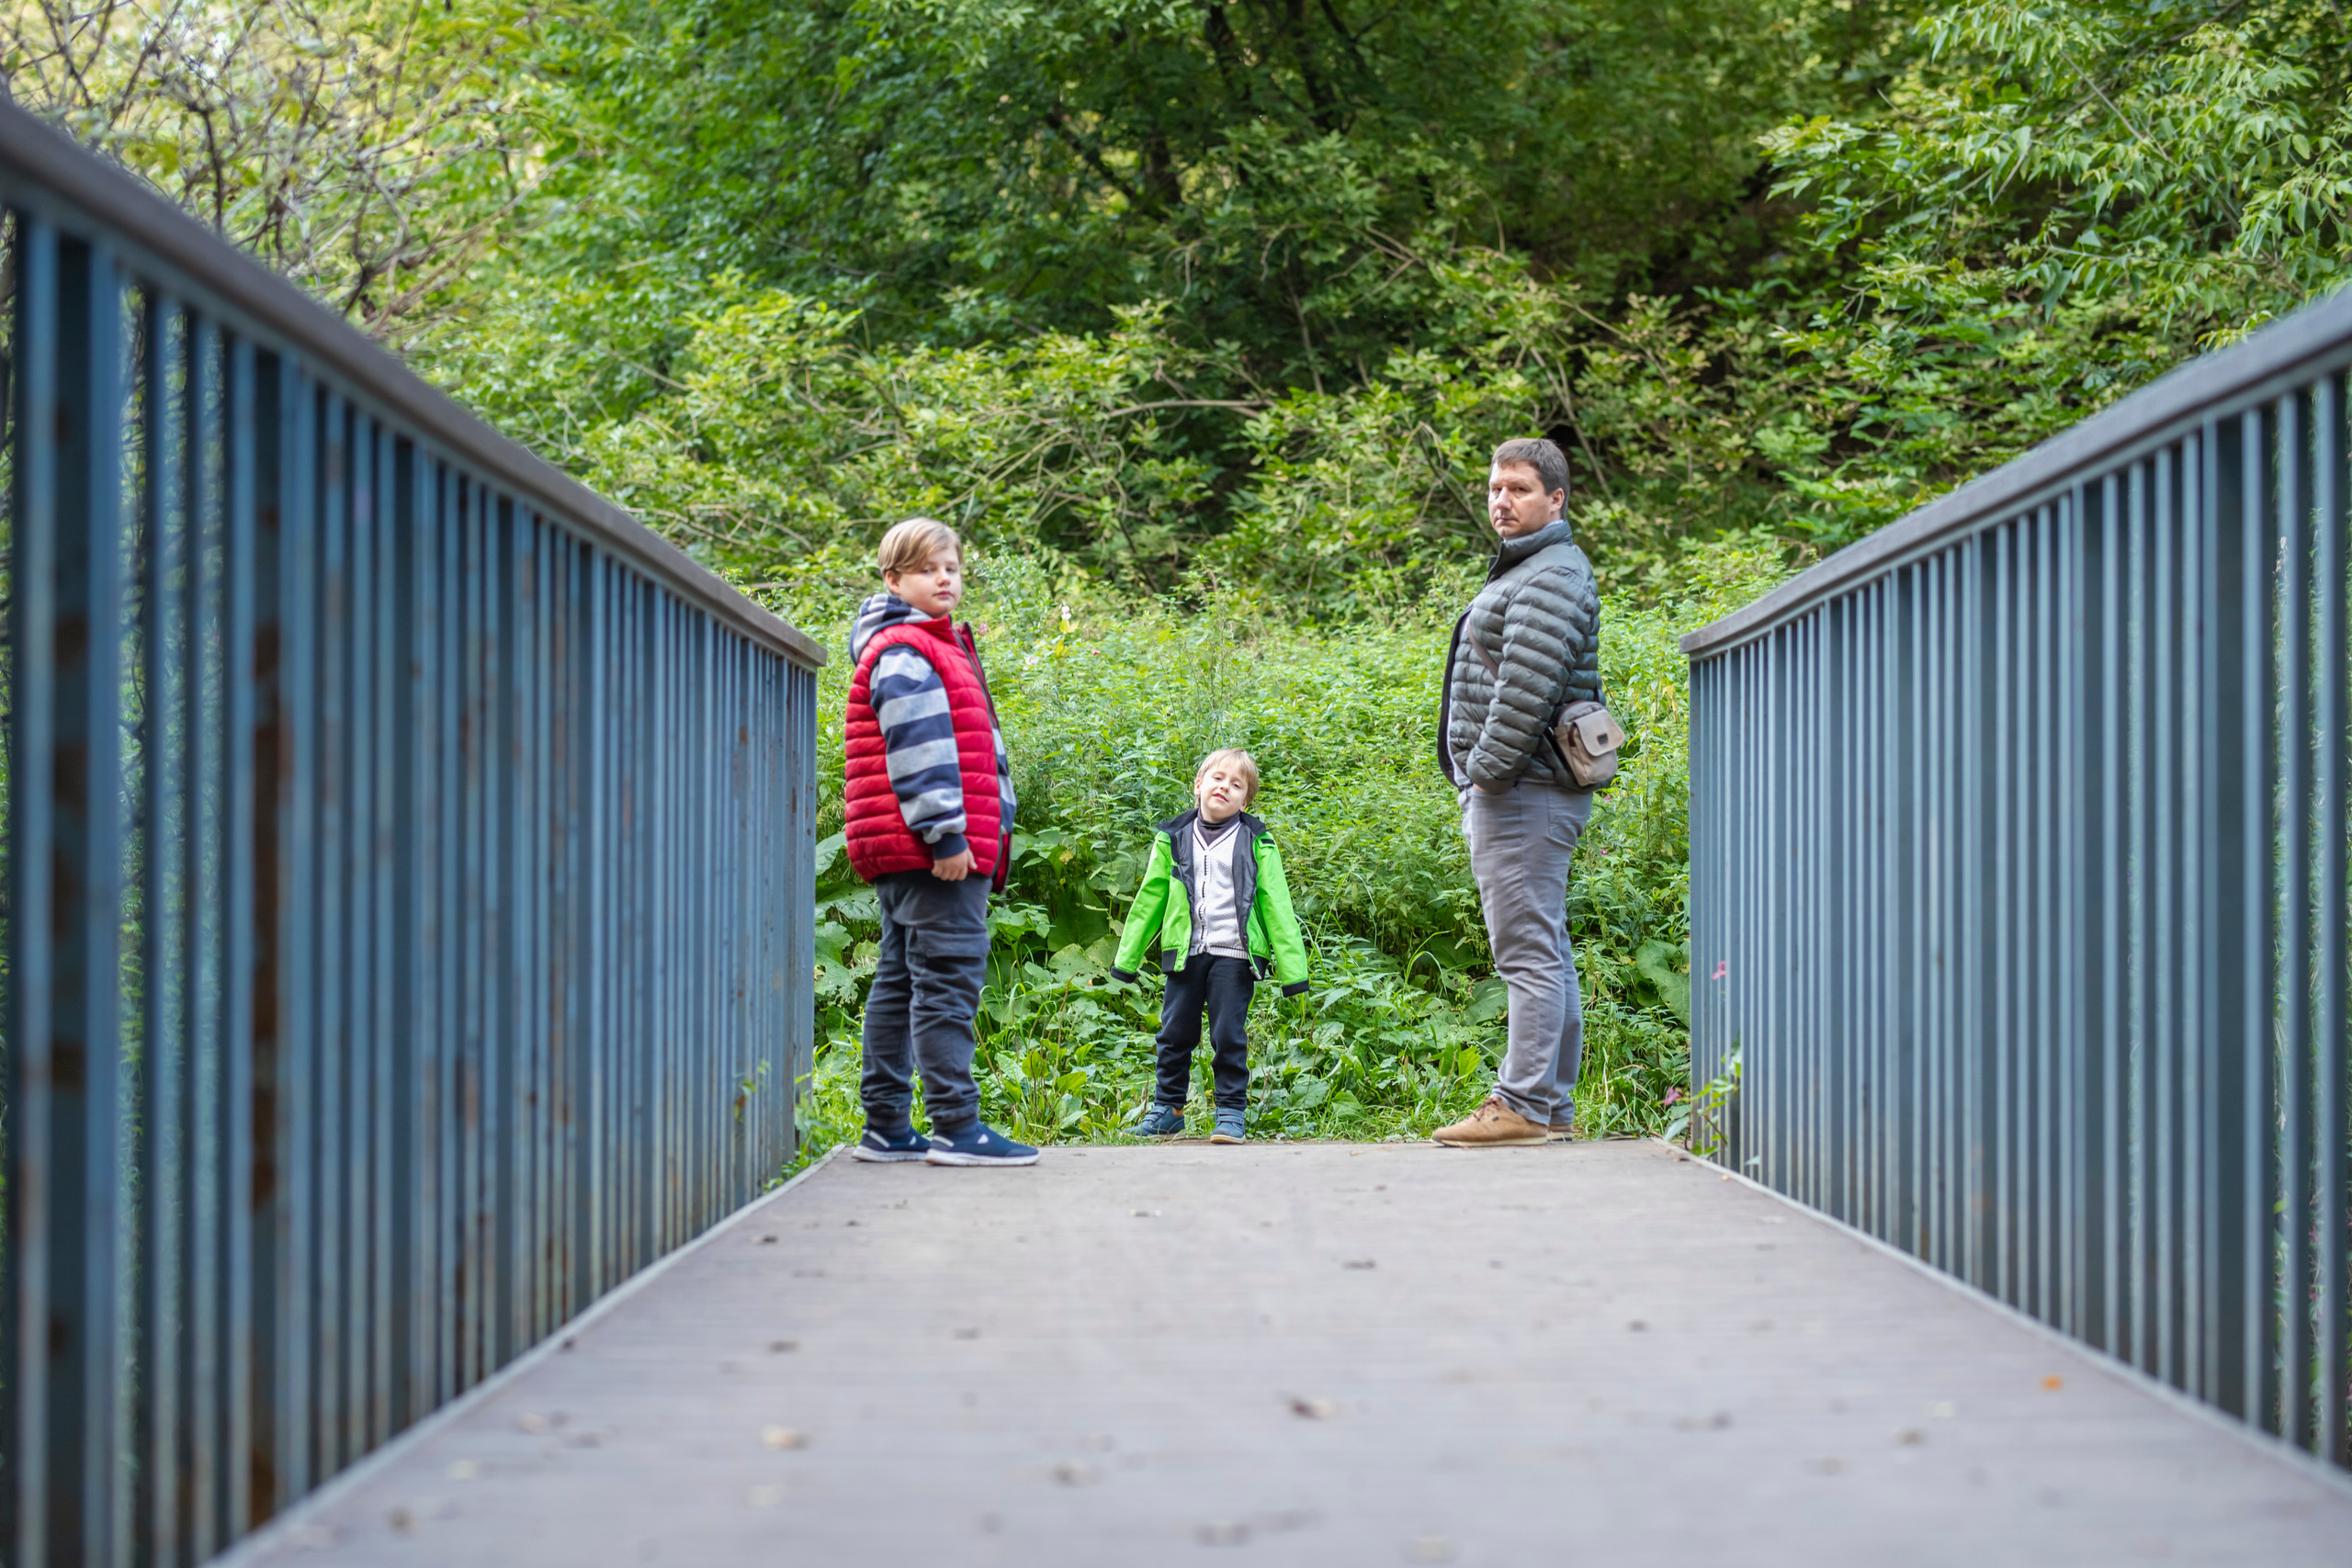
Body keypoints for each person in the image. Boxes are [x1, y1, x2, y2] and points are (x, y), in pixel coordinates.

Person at [842, 517, 1038, 1167]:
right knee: (948, 979)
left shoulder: (927, 643)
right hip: (932, 850)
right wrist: (946, 834)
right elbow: (920, 752)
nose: (945, 578)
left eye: (951, 567)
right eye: (928, 569)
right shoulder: (906, 649)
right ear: (895, 580)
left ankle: (889, 1127)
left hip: (908, 848)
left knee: (900, 982)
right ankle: (957, 1125)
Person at [1432, 438, 1603, 1147]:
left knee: (1526, 953)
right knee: (1546, 947)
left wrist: (1482, 773)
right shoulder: (1535, 568)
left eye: (1520, 489)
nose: (1502, 500)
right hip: (1525, 786)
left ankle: (1524, 1102)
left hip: (1522, 789)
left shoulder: (1551, 575)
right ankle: (1550, 1106)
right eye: (1496, 488)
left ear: (1556, 500)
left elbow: (1523, 692)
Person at [1110, 749, 1311, 1145]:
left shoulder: (1257, 840)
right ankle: (1168, 1111)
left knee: (1228, 1034)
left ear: (1245, 800)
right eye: (1218, 779)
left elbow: (1276, 905)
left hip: (1234, 955)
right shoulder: (1173, 837)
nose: (1225, 787)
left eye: (1237, 785)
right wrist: (1127, 959)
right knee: (1174, 1034)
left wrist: (1294, 973)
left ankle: (1231, 1113)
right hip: (1186, 952)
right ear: (1198, 785)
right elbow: (1150, 899)